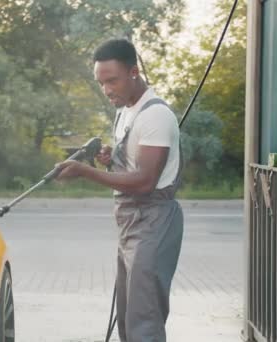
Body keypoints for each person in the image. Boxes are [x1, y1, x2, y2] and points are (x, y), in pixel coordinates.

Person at [55, 38, 183, 342]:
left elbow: (145, 181)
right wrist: (112, 157)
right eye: (101, 83)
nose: (107, 90)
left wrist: (87, 171)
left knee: (144, 322)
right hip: (130, 223)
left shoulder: (155, 115)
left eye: (112, 80)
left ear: (134, 72)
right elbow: (135, 163)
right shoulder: (125, 111)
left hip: (153, 223)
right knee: (127, 317)